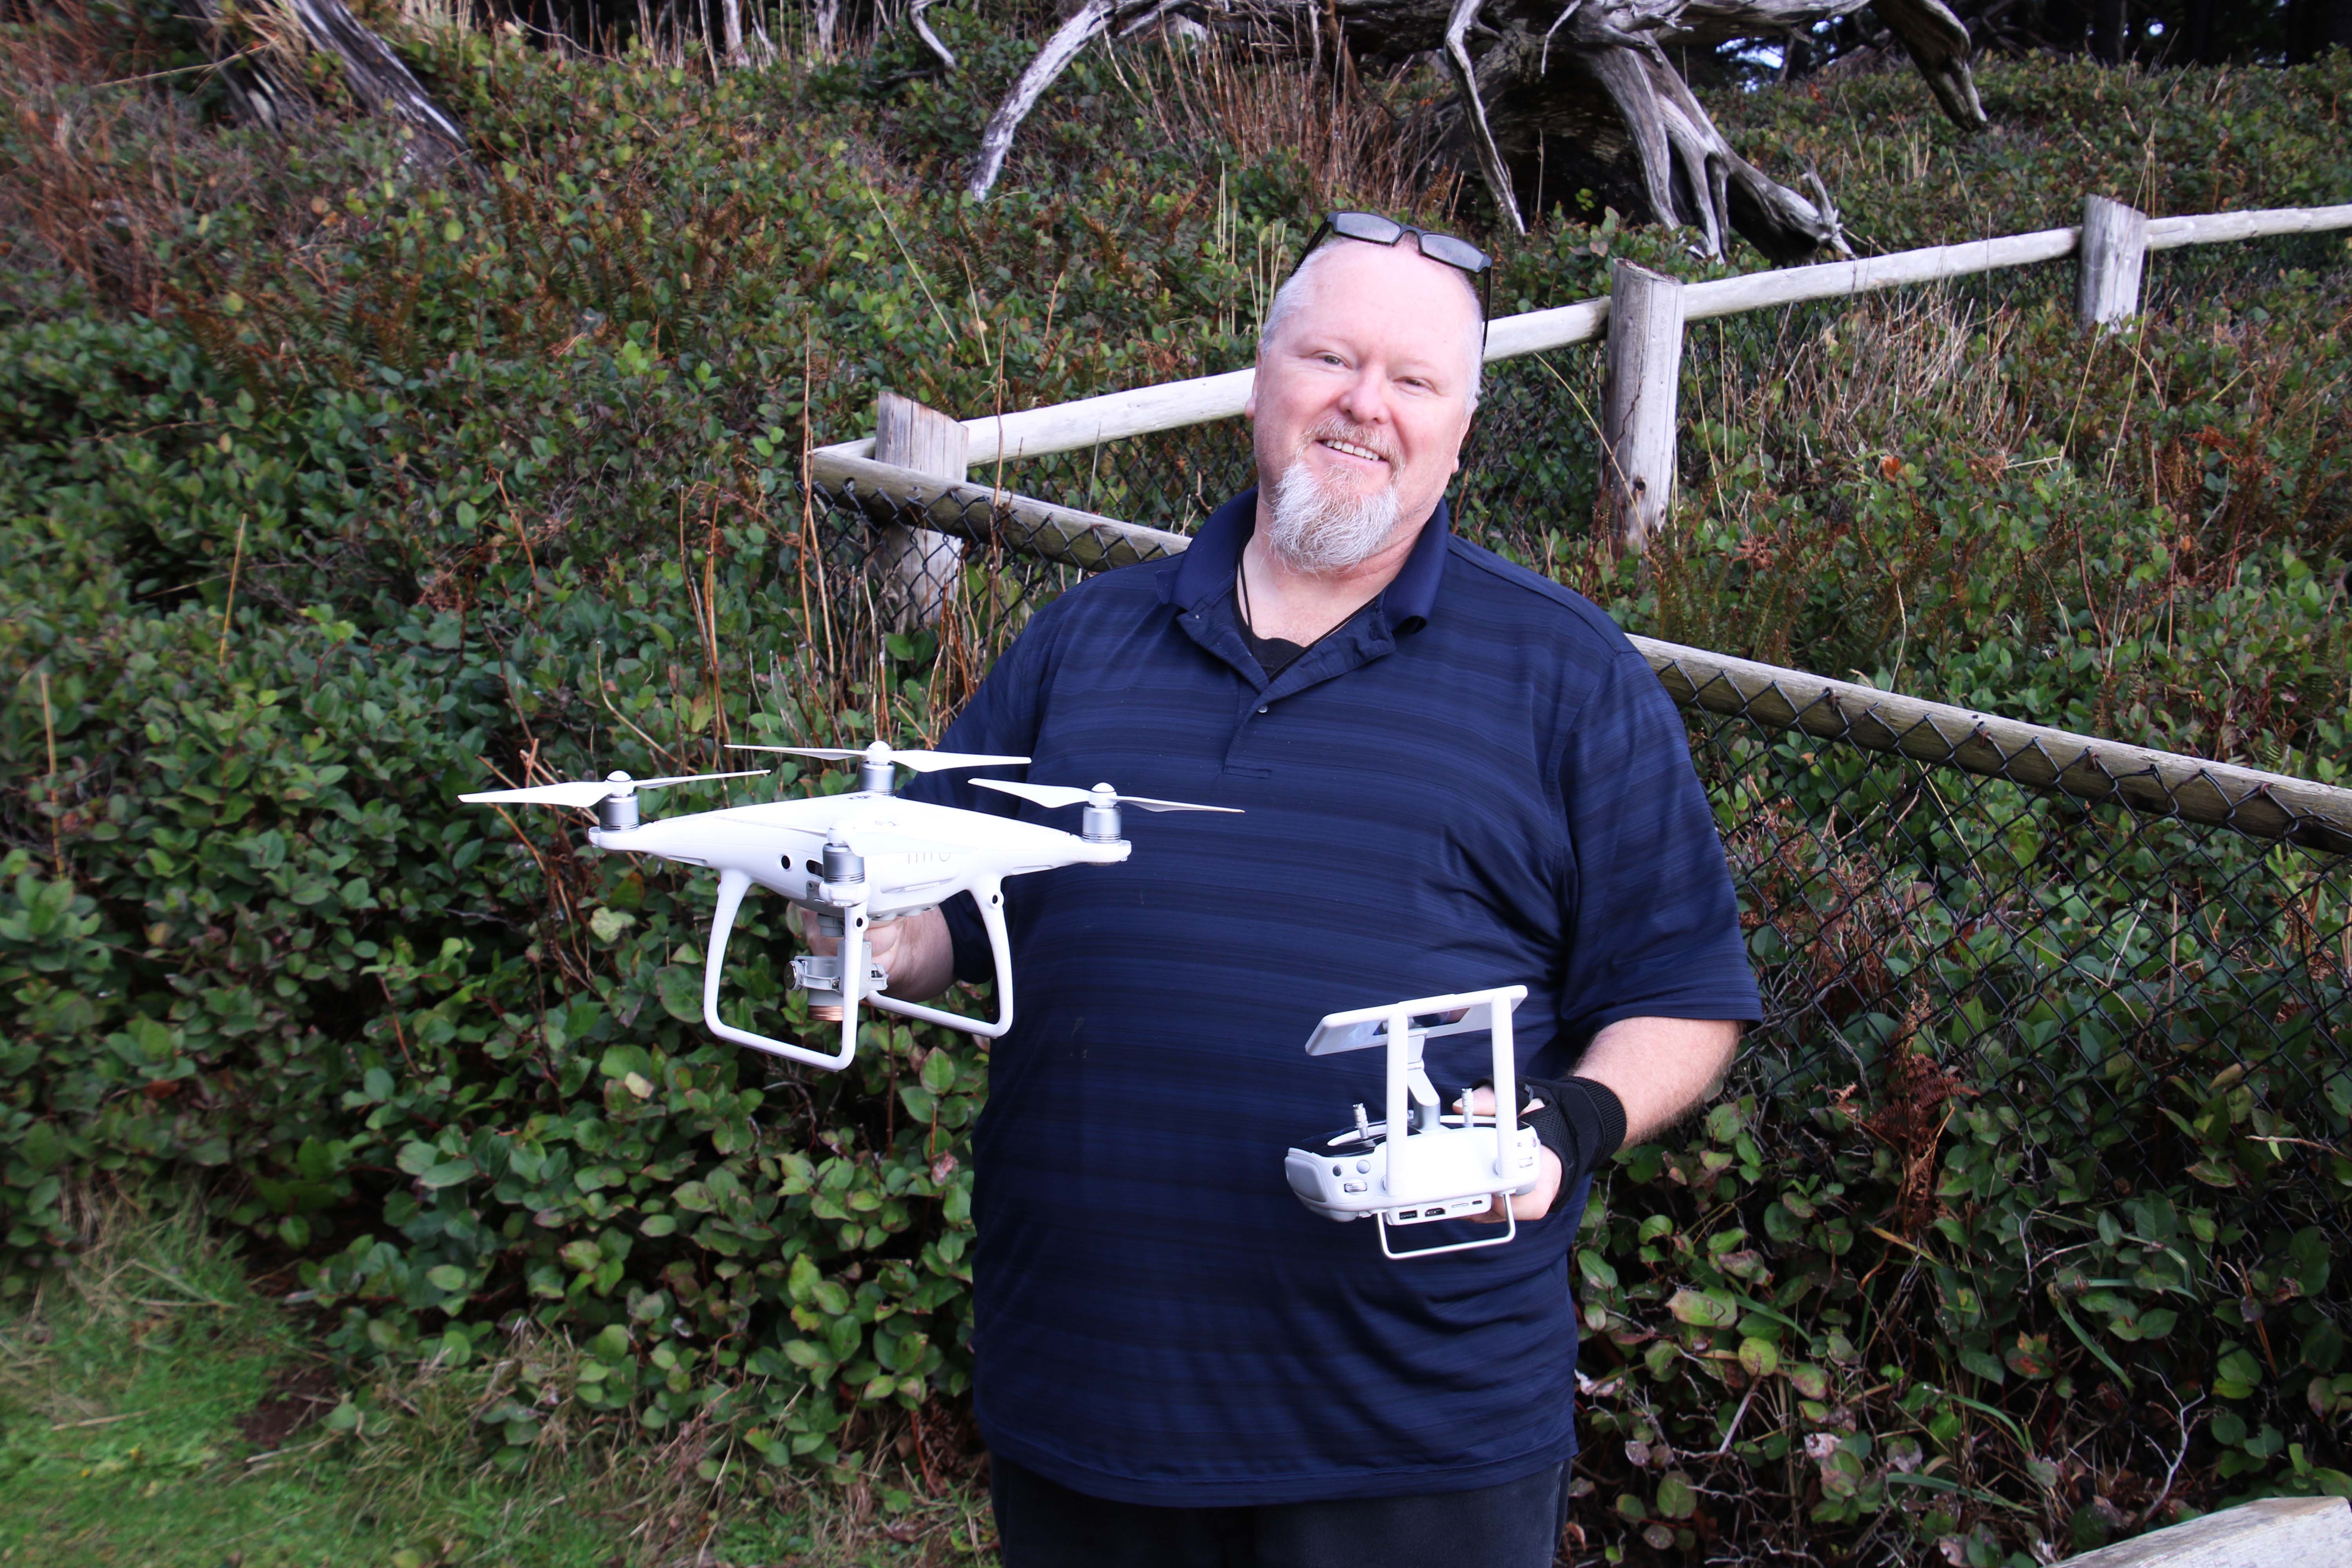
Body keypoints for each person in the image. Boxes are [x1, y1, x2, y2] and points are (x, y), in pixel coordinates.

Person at [818, 213, 1762, 1566]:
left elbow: (1685, 997)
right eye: (1331, 358)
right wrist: (855, 923)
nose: (1364, 405)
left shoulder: (1569, 675)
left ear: (1462, 420)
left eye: (1415, 380)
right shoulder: (1083, 643)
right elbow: (953, 919)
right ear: (1264, 375)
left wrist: (1568, 1122)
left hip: (1418, 1432)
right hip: (1093, 1393)